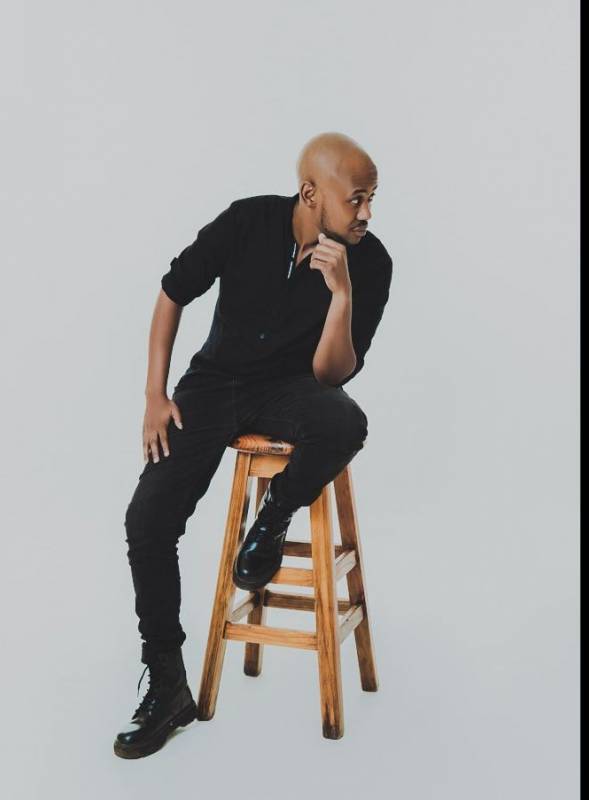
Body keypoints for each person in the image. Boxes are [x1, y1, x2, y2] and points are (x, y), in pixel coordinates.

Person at [113, 131, 394, 759]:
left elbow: (331, 377)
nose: (367, 213)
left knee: (345, 423)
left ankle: (273, 517)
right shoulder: (247, 221)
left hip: (293, 388)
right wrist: (155, 395)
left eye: (373, 199)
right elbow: (173, 291)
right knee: (147, 521)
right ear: (311, 194)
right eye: (356, 199)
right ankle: (167, 683)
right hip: (214, 384)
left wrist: (342, 295)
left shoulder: (371, 262)